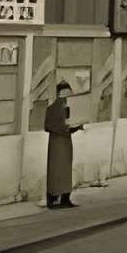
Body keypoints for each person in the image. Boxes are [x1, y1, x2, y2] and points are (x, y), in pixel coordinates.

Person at [41, 81, 78, 210]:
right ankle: (52, 199)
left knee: (66, 172)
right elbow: (47, 126)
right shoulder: (51, 108)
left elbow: (71, 124)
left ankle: (65, 198)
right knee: (55, 172)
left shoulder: (70, 109)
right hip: (57, 143)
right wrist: (64, 129)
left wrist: (76, 126)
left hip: (66, 143)